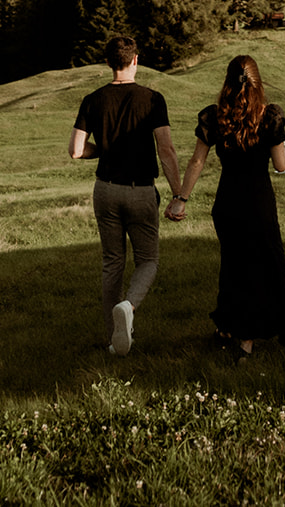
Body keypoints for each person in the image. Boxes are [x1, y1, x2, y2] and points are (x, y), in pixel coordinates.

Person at [170, 54, 285, 360]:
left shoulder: (214, 116)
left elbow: (197, 161)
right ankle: (246, 340)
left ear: (228, 81)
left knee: (234, 267)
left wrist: (181, 199)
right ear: (257, 81)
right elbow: (281, 166)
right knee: (263, 268)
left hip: (227, 203)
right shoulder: (270, 116)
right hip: (258, 203)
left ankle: (228, 327)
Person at [69, 36, 185, 356]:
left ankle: (114, 341)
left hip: (104, 189)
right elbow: (166, 149)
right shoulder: (152, 99)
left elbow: (76, 150)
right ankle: (129, 307)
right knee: (147, 259)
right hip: (141, 191)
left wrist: (103, 150)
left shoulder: (92, 99)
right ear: (136, 60)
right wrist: (179, 194)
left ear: (108, 62)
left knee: (112, 263)